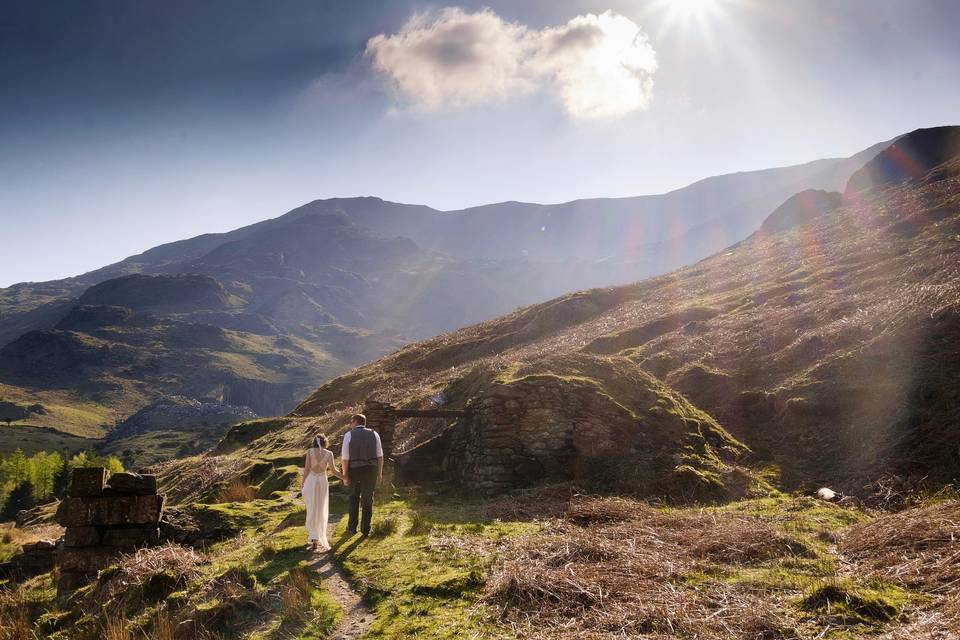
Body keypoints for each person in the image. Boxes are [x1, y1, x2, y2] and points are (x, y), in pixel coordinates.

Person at [341, 413, 383, 536]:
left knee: (353, 498)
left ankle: (352, 527)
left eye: (351, 422)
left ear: (355, 422)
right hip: (371, 470)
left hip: (354, 470)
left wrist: (345, 475)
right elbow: (380, 456)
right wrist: (379, 473)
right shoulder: (374, 434)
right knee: (368, 499)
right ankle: (366, 529)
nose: (350, 424)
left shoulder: (349, 435)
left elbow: (345, 458)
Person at [301, 434, 342, 552]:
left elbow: (307, 469)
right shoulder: (329, 454)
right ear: (325, 442)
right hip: (322, 482)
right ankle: (317, 537)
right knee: (321, 508)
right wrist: (344, 477)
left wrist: (303, 483)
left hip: (311, 481)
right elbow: (334, 471)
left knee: (312, 507)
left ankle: (313, 538)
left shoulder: (309, 452)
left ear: (314, 442)